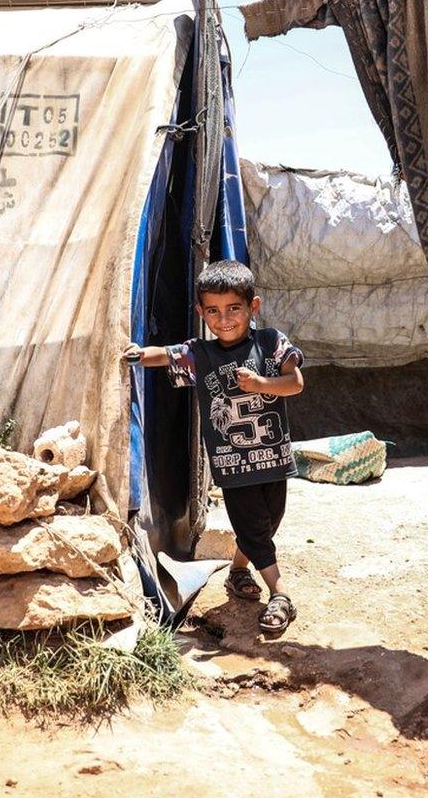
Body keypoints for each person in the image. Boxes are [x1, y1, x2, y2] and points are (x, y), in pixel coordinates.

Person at [123, 260, 305, 634]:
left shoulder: (269, 342)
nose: (224, 319)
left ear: (252, 307)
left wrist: (260, 384)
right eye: (213, 311)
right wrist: (139, 355)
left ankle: (237, 569)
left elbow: (295, 382)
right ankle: (280, 594)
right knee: (254, 527)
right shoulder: (201, 355)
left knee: (269, 521)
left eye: (233, 309)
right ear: (201, 313)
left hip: (273, 457)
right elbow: (167, 354)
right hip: (232, 462)